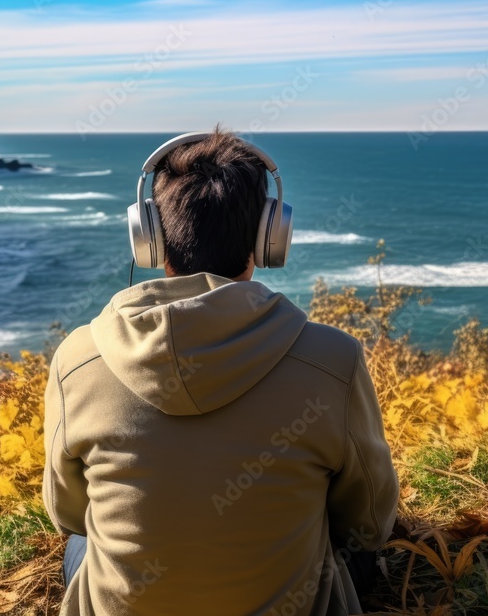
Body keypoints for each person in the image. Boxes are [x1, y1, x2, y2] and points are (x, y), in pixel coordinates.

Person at [43, 127, 399, 615]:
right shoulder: (332, 361)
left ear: (150, 238)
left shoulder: (76, 360)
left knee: (82, 545)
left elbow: (67, 514)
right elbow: (371, 523)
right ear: (268, 238)